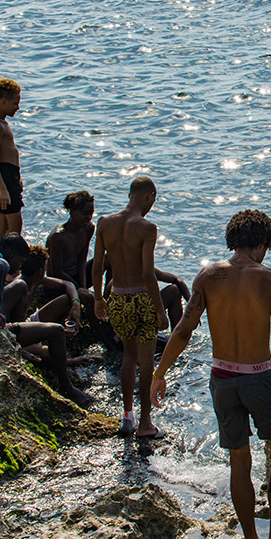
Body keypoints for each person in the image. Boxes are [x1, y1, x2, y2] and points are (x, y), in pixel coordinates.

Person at [151, 210, 271, 539]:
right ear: (262, 245)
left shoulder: (209, 276)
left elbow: (182, 330)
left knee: (238, 459)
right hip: (258, 378)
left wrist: (159, 373)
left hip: (221, 379)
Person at [0, 232, 93, 407]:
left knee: (19, 286)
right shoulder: (1, 263)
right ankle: (67, 388)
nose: (19, 267)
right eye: (19, 262)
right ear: (11, 256)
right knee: (56, 330)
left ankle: (18, 344)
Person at [92, 176, 168, 438]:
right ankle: (146, 424)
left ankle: (127, 418)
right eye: (152, 202)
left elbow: (97, 266)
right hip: (141, 299)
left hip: (117, 298)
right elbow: (148, 274)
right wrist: (160, 310)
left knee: (128, 356)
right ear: (149, 197)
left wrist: (98, 298)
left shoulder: (104, 223)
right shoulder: (147, 228)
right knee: (146, 363)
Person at [45, 192, 117, 350]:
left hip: (77, 275)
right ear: (72, 212)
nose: (89, 218)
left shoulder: (88, 229)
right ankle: (108, 343)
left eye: (91, 214)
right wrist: (79, 289)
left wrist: (84, 285)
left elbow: (81, 261)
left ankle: (107, 303)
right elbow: (55, 272)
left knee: (110, 258)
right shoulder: (58, 236)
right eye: (85, 214)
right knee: (86, 296)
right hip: (60, 282)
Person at [0, 78, 24, 248]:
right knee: (14, 227)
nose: (18, 107)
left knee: (2, 224)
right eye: (15, 103)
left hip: (8, 176)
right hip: (3, 178)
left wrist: (18, 177)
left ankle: (3, 262)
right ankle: (8, 263)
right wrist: (3, 189)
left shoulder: (2, 123)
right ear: (3, 102)